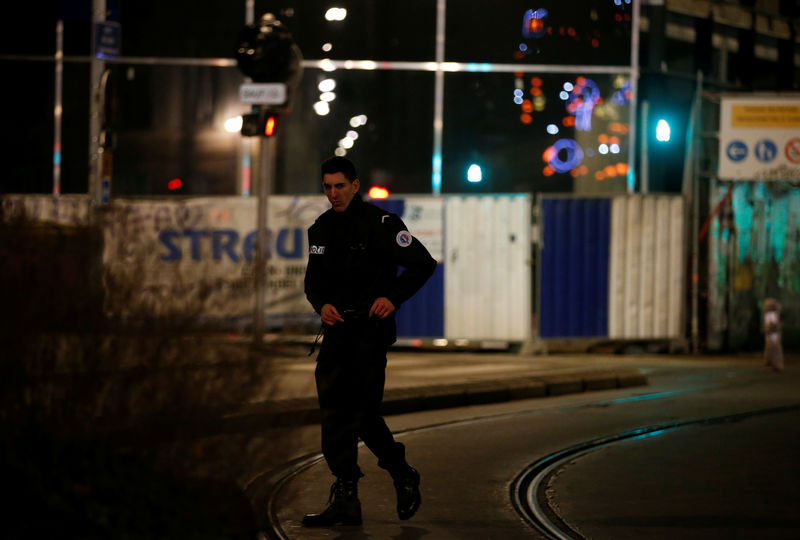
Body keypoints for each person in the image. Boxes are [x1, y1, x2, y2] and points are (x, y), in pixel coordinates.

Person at [302, 156, 437, 527]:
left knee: (362, 414)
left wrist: (393, 297)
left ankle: (401, 471)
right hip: (336, 334)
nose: (333, 194)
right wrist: (322, 304)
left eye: (340, 186)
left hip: (369, 335)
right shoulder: (321, 229)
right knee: (333, 415)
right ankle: (346, 495)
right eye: (327, 187)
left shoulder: (382, 225)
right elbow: (313, 282)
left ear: (355, 185)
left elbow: (422, 264)